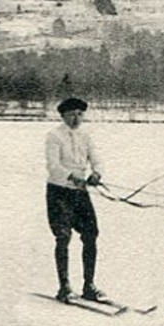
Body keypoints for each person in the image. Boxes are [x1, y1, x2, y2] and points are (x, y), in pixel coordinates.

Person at [44, 96, 105, 302]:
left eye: (80, 114)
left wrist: (97, 173)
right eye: (72, 115)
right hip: (59, 192)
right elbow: (53, 166)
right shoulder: (54, 136)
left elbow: (95, 157)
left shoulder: (86, 136)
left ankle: (89, 285)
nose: (76, 118)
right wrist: (71, 177)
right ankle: (64, 286)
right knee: (63, 236)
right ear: (63, 116)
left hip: (80, 193)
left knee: (91, 234)